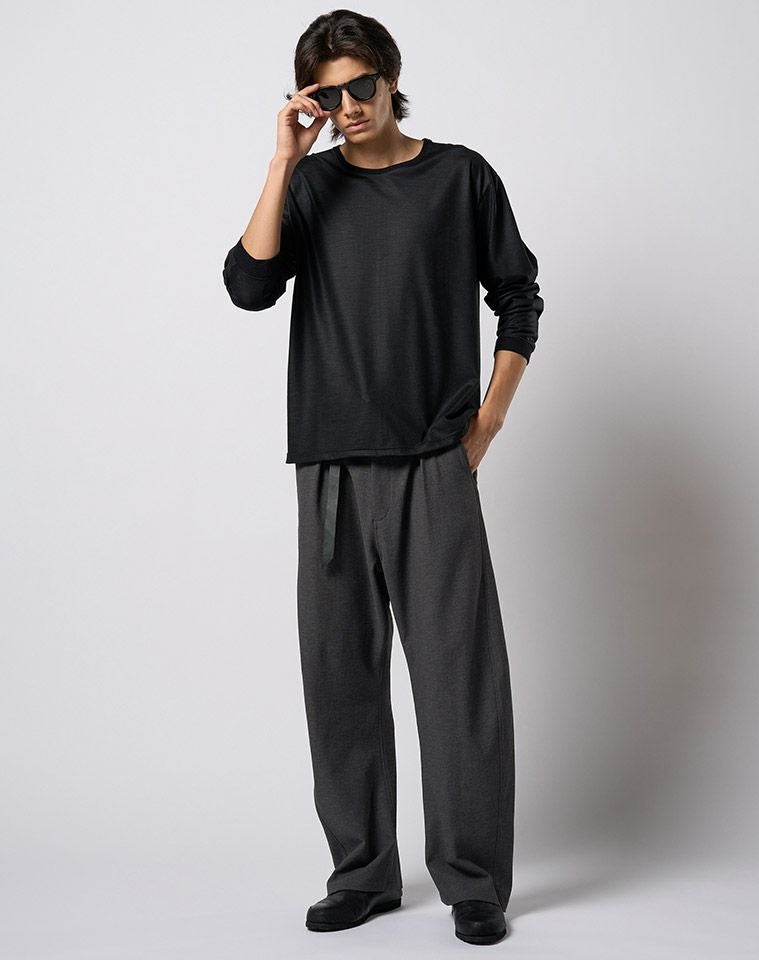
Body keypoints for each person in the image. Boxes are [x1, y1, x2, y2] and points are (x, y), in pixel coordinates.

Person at [222, 10, 544, 947]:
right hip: (328, 465)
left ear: (392, 78)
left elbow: (518, 294)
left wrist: (488, 420)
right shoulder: (312, 186)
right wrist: (283, 161)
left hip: (433, 461)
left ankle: (473, 880)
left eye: (361, 86)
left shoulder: (460, 177)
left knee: (458, 680)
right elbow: (248, 286)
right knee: (340, 680)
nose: (349, 106)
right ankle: (362, 872)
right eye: (327, 96)